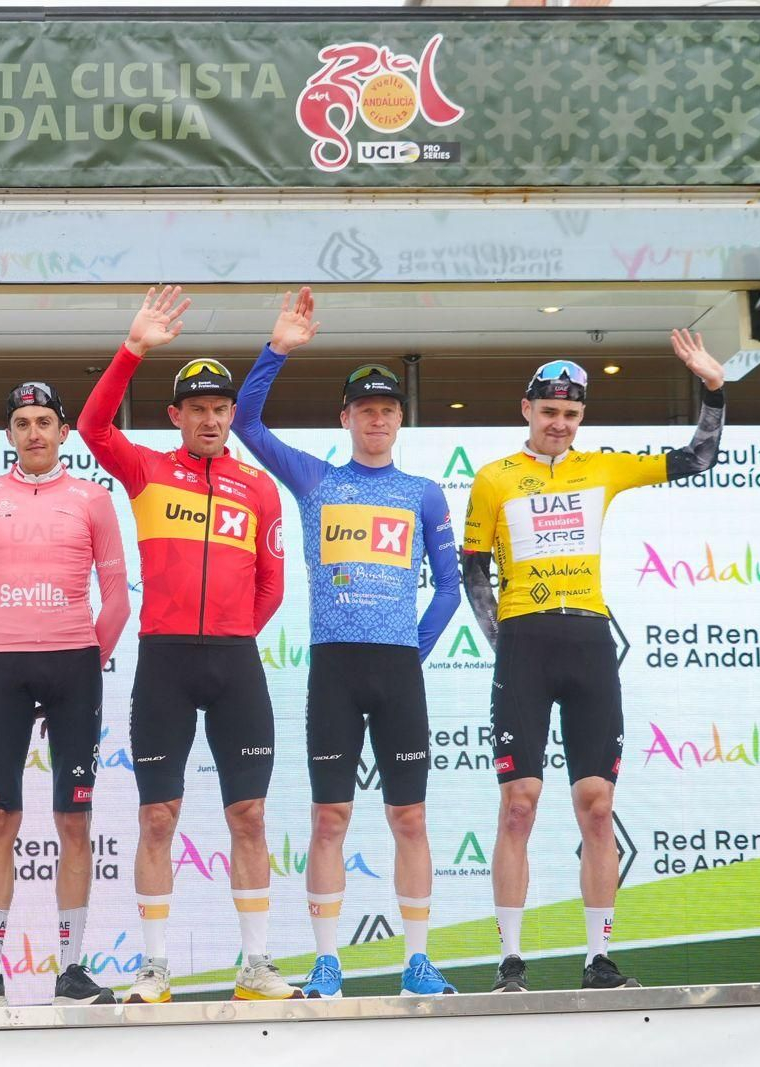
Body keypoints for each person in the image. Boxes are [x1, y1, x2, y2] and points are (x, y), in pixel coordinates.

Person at [462, 331, 726, 992]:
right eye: (549, 411)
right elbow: (473, 576)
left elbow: (697, 457)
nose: (559, 424)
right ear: (526, 409)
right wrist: (506, 644)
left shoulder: (603, 467)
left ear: (581, 420)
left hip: (588, 643)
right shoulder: (492, 478)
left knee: (598, 805)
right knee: (518, 803)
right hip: (524, 642)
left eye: (571, 415)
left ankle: (597, 958)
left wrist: (715, 390)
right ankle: (512, 962)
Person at [232, 288, 462, 998]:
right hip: (332, 668)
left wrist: (407, 650)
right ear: (346, 418)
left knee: (411, 816)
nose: (377, 419)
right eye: (365, 409)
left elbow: (450, 589)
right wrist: (276, 350)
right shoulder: (315, 479)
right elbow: (246, 422)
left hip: (397, 670)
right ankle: (328, 958)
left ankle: (417, 959)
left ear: (399, 419)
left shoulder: (423, 492)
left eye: (388, 409)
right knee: (328, 816)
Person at [78, 286, 293, 1003]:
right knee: (156, 816)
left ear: (232, 415)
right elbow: (92, 426)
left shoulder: (258, 487)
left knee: (250, 815)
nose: (208, 418)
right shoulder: (145, 470)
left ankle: (257, 965)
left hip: (233, 662)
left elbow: (271, 585)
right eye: (195, 407)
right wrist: (133, 346)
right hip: (165, 659)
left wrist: (230, 634)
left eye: (220, 408)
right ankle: (156, 967)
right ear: (176, 416)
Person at [0, 383, 131, 1008]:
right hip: (2, 667)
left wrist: (86, 660)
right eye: (22, 422)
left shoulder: (94, 499)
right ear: (9, 434)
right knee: (1, 817)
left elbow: (118, 599)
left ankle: (72, 971)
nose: (34, 433)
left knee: (73, 819)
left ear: (62, 432)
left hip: (73, 664)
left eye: (45, 422)